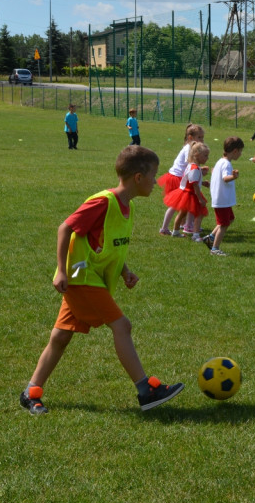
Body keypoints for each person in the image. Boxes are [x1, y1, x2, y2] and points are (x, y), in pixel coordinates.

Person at [19, 145, 184, 414]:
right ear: (138, 177)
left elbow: (110, 244)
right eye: (154, 175)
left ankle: (31, 392)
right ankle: (145, 390)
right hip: (80, 278)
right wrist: (61, 270)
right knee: (122, 326)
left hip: (91, 278)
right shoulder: (103, 202)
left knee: (60, 337)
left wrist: (124, 271)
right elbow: (66, 227)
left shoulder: (126, 206)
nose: (157, 181)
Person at [158, 124, 206, 237]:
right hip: (177, 178)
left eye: (202, 137)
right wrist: (199, 170)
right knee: (179, 204)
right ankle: (174, 227)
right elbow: (190, 163)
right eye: (199, 137)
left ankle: (184, 224)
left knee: (184, 203)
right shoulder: (189, 148)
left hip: (180, 176)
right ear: (190, 137)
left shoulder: (190, 147)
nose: (202, 140)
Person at [162, 142, 210, 241]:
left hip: (185, 192)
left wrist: (203, 183)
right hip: (191, 194)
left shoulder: (191, 166)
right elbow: (194, 185)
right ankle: (195, 235)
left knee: (182, 213)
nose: (207, 158)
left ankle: (175, 232)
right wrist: (200, 199)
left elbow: (192, 180)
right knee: (199, 214)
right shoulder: (195, 168)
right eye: (205, 155)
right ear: (196, 154)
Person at [205, 136, 244, 257]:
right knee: (223, 224)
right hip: (222, 199)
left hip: (221, 198)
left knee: (230, 219)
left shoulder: (220, 161)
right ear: (235, 151)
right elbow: (225, 178)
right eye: (241, 151)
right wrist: (234, 177)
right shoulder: (226, 164)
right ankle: (215, 249)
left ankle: (210, 237)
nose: (241, 154)